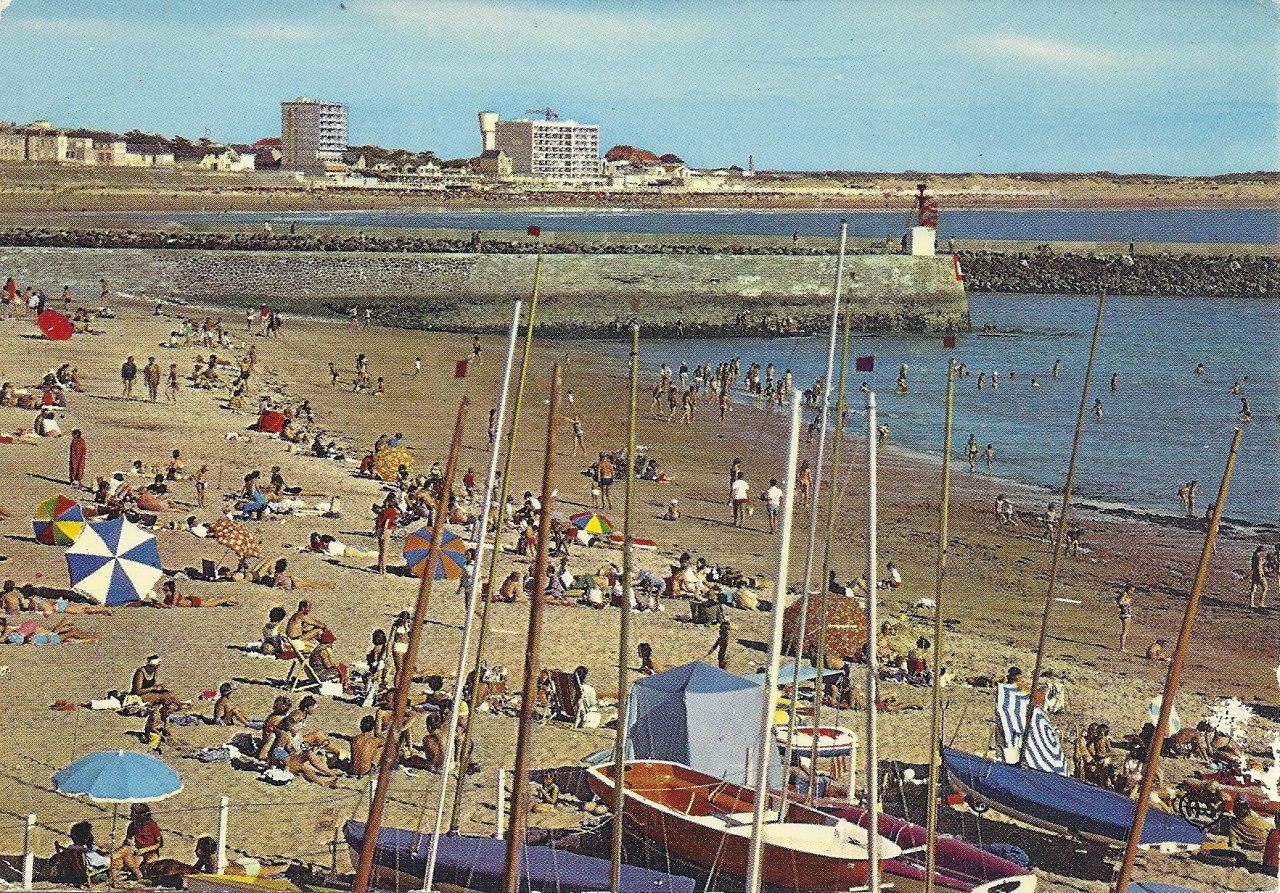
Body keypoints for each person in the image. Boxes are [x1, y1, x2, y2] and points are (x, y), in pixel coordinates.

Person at [109, 804, 163, 887]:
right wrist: (128, 842)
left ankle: (106, 860)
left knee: (128, 861)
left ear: (139, 816)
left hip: (150, 853)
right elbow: (126, 841)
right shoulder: (132, 826)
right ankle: (113, 872)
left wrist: (144, 850)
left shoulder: (152, 826)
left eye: (132, 813)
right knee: (123, 853)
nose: (130, 815)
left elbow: (160, 843)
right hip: (137, 852)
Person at [375, 494, 398, 575]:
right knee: (385, 550)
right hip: (386, 530)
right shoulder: (392, 511)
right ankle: (383, 569)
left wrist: (377, 530)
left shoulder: (383, 510)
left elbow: (378, 521)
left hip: (379, 530)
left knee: (381, 550)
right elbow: (387, 522)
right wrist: (384, 532)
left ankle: (379, 566)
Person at [1116, 584, 1135, 651]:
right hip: (1126, 614)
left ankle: (1122, 647)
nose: (1132, 592)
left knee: (1125, 631)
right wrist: (1124, 604)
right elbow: (1120, 602)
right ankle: (1122, 647)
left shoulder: (1124, 594)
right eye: (1131, 590)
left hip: (1124, 614)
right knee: (1125, 632)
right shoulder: (1125, 594)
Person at [1250, 544, 1269, 609]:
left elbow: (1253, 565)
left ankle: (1251, 603)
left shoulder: (1254, 555)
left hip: (1254, 573)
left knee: (1253, 589)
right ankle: (1261, 603)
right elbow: (1259, 566)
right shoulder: (1259, 557)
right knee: (1265, 588)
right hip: (1259, 574)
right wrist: (1261, 574)